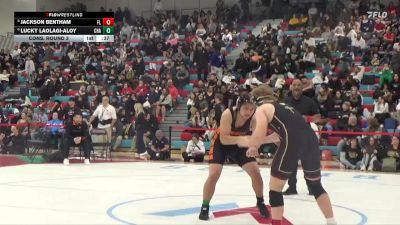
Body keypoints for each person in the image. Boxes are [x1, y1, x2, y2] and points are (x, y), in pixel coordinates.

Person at [243, 85, 336, 225]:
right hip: (311, 140)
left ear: (256, 100)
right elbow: (278, 134)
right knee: (316, 185)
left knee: (275, 188)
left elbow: (261, 130)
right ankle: (331, 222)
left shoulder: (263, 108)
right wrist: (262, 141)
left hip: (293, 141)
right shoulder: (283, 106)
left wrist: (254, 145)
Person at [199, 94, 272, 221]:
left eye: (251, 109)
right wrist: (243, 139)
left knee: (256, 172)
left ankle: (260, 201)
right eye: (245, 109)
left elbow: (256, 136)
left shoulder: (254, 117)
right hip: (221, 145)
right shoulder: (228, 114)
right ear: (238, 107)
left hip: (240, 145)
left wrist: (253, 147)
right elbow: (224, 139)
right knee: (214, 174)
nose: (248, 112)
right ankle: (205, 206)